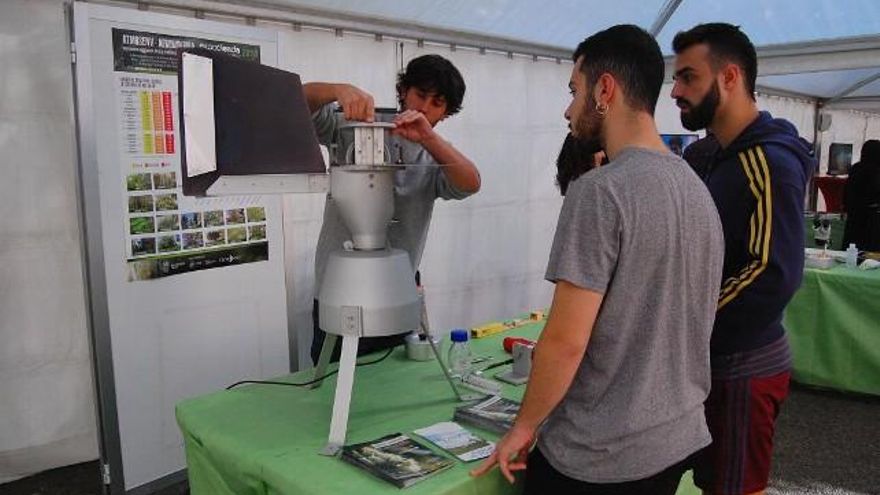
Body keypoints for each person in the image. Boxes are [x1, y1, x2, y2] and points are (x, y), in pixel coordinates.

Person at [472, 25, 724, 494]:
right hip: (672, 439)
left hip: (598, 455)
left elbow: (566, 341)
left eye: (574, 90)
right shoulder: (696, 188)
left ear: (605, 90)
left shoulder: (600, 191)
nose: (568, 109)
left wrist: (523, 427)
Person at [670, 23, 816, 495]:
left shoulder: (770, 163)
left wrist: (683, 324)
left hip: (742, 367)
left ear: (729, 78)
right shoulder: (705, 155)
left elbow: (771, 274)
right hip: (703, 361)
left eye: (688, 77)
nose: (675, 91)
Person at [304, 54, 481, 365]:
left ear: (448, 111)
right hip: (339, 288)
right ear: (403, 91)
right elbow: (297, 102)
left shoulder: (434, 157)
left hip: (396, 290)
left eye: (437, 103)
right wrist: (337, 90)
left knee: (395, 377)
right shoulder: (350, 128)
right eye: (420, 95)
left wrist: (428, 137)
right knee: (333, 380)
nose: (425, 107)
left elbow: (471, 182)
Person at [842, 139, 880, 251]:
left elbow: (847, 195)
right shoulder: (876, 172)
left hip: (854, 218)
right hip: (871, 221)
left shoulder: (856, 169)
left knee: (852, 250)